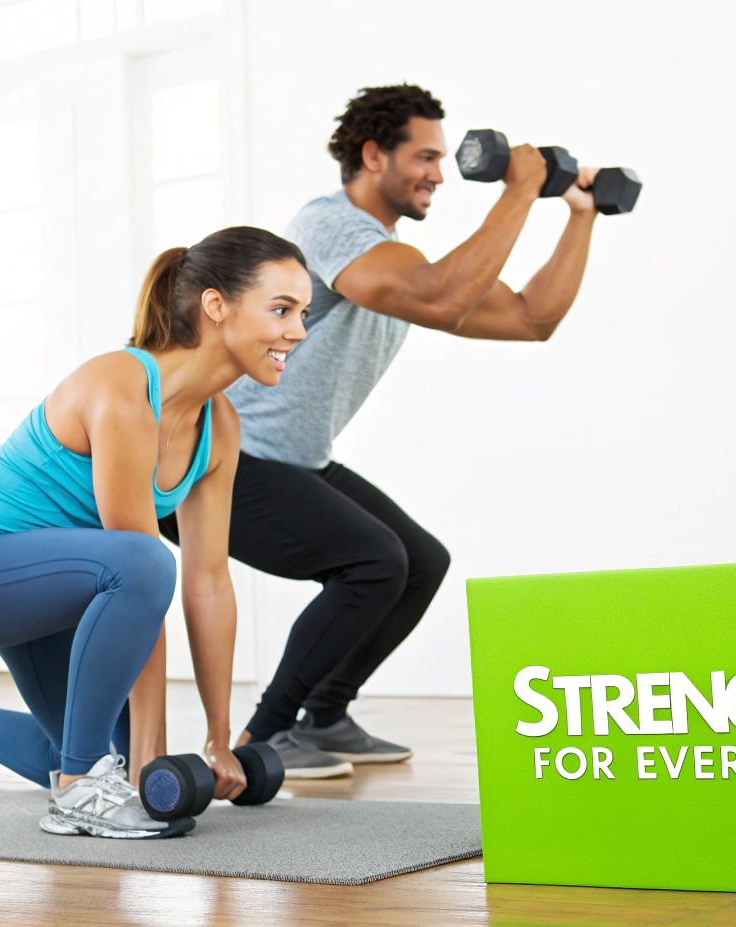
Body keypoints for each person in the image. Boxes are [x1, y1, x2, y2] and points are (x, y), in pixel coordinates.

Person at [160, 84, 602, 776]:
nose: (439, 174)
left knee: (421, 562)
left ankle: (324, 716)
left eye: (440, 158)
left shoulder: (397, 259)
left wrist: (581, 213)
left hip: (295, 457)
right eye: (425, 157)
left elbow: (530, 319)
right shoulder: (330, 227)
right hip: (219, 456)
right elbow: (441, 295)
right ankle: (264, 736)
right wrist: (520, 188)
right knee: (374, 561)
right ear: (373, 156)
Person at [0, 226, 310, 839]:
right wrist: (149, 759)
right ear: (217, 306)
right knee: (143, 569)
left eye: (302, 314)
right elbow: (140, 574)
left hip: (47, 586)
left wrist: (219, 740)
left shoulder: (220, 426)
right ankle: (79, 790)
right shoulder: (123, 388)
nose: (298, 331)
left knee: (85, 746)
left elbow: (209, 581)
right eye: (282, 310)